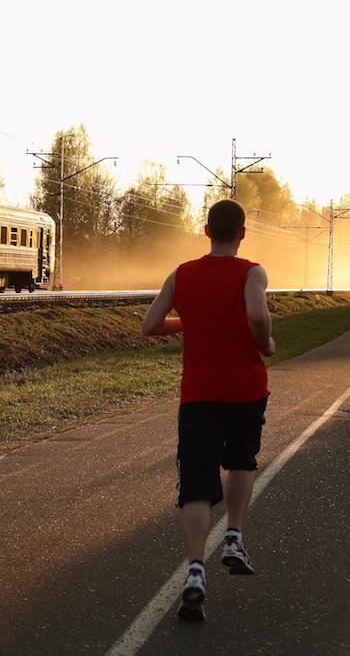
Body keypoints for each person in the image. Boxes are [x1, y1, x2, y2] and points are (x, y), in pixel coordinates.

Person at [142, 199, 274, 622]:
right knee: (241, 461)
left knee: (196, 482)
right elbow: (256, 313)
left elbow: (150, 326)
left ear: (205, 230)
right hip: (246, 390)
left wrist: (192, 323)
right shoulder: (252, 271)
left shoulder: (181, 275)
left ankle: (195, 571)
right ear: (242, 233)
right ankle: (233, 537)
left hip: (199, 396)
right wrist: (265, 344)